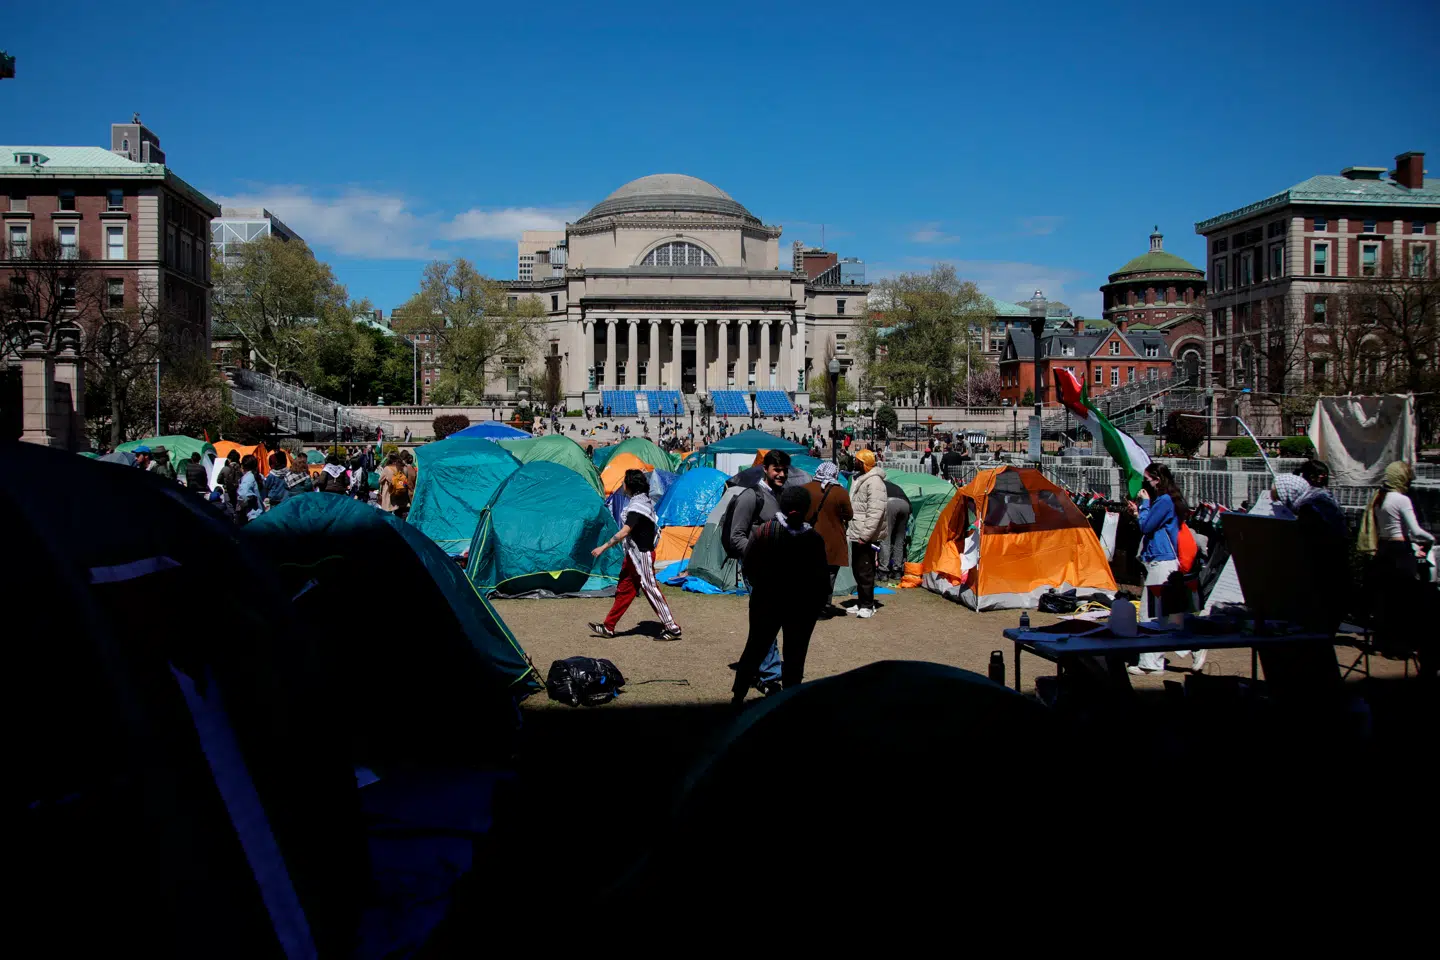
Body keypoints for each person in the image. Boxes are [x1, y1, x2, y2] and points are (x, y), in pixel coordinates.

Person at [731, 486, 829, 701]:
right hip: (801, 608)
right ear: (807, 509)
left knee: (755, 649)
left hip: (766, 602)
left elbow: (749, 564)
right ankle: (789, 701)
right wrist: (817, 604)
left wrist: (761, 587)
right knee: (796, 655)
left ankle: (738, 697)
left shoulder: (764, 531)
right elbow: (822, 578)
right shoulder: (813, 539)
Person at [589, 469, 683, 641]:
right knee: (625, 589)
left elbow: (625, 531)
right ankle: (609, 626)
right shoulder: (642, 501)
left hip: (642, 555)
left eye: (624, 481)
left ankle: (672, 627)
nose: (622, 484)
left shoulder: (636, 507)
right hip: (633, 555)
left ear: (630, 485)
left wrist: (603, 547)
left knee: (650, 588)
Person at [1358, 461, 1436, 668]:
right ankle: (1400, 647)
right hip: (1400, 552)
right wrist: (1432, 539)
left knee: (1386, 600)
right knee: (1403, 602)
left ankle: (1383, 643)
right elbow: (1415, 530)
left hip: (1383, 550)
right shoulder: (1402, 499)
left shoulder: (1379, 498)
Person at [725, 450, 791, 691]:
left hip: (777, 570)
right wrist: (759, 555)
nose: (781, 474)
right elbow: (736, 537)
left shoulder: (781, 495)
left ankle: (756, 667)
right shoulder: (751, 496)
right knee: (766, 621)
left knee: (768, 621)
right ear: (765, 469)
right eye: (776, 470)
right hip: (757, 569)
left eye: (784, 470)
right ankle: (769, 676)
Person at [1126, 463, 1195, 675]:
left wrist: (1145, 505)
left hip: (1162, 560)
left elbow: (1147, 526)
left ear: (1156, 479)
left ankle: (1151, 662)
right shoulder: (1168, 500)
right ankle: (1187, 648)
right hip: (1163, 559)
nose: (1144, 484)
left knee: (1150, 612)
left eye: (1147, 479)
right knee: (1166, 613)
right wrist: (1139, 512)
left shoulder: (1163, 501)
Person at [805, 461, 853, 617]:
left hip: (809, 538)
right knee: (830, 575)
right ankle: (824, 606)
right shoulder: (840, 492)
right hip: (833, 540)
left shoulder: (806, 489)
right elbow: (849, 515)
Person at [846, 449, 888, 619]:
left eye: (857, 460)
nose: (854, 462)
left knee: (865, 569)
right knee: (857, 569)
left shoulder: (875, 482)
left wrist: (866, 535)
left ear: (864, 463)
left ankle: (868, 605)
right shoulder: (860, 479)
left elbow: (875, 512)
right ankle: (861, 601)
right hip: (857, 531)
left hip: (866, 534)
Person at [878, 478, 911, 582]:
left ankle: (883, 572)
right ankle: (897, 571)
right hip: (905, 505)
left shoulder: (876, 484)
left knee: (885, 539)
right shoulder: (894, 485)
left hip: (890, 504)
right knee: (899, 540)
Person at [236, 454, 264, 524]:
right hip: (260, 512)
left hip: (251, 515)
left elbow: (243, 495)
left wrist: (244, 503)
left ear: (243, 466)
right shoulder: (260, 476)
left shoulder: (248, 478)